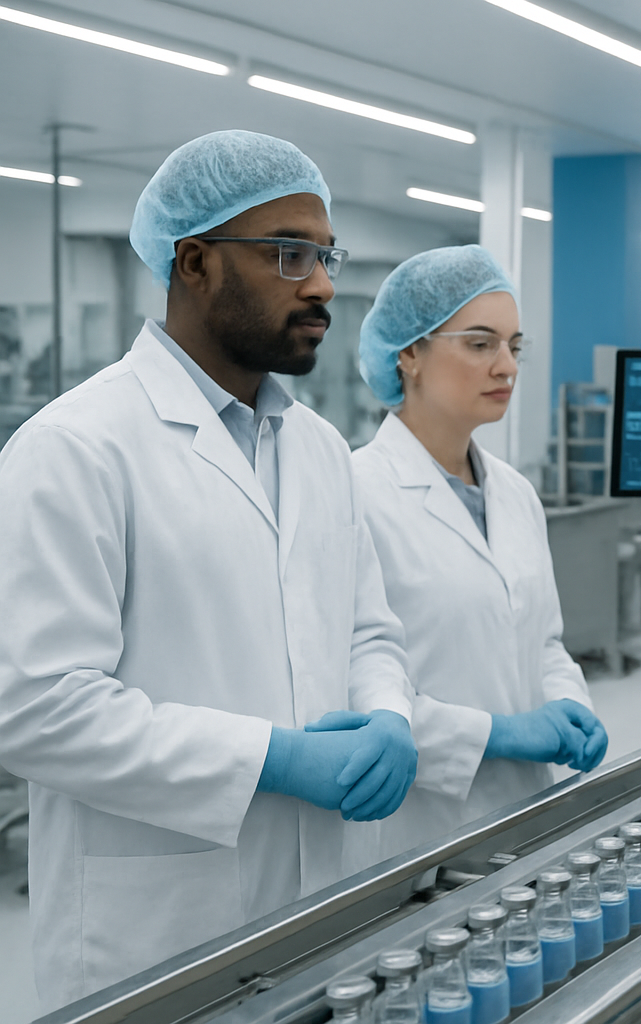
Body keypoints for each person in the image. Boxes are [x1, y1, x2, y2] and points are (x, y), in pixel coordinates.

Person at [0, 130, 419, 1010]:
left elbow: (368, 628)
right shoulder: (75, 448)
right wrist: (269, 758)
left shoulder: (318, 450)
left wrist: (388, 714)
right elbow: (33, 708)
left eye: (325, 254)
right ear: (194, 262)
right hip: (157, 930)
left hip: (327, 899)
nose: (323, 285)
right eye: (288, 254)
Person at [340, 244, 607, 864]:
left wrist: (569, 701)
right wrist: (499, 735)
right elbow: (352, 687)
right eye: (481, 343)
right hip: (414, 833)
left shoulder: (514, 493)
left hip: (527, 815)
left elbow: (543, 640)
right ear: (409, 352)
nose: (507, 366)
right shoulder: (354, 493)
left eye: (515, 346)